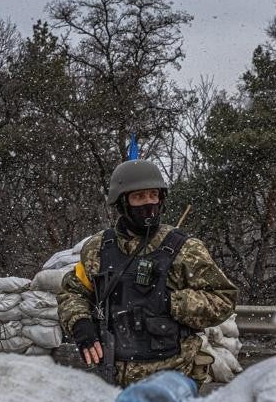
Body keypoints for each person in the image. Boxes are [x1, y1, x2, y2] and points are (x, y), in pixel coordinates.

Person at [57, 159, 238, 387]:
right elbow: (73, 293)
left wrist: (170, 302)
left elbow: (224, 298)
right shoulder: (98, 248)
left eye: (153, 195)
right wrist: (80, 323)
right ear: (122, 202)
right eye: (139, 197)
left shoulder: (185, 249)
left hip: (171, 378)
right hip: (111, 376)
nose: (149, 203)